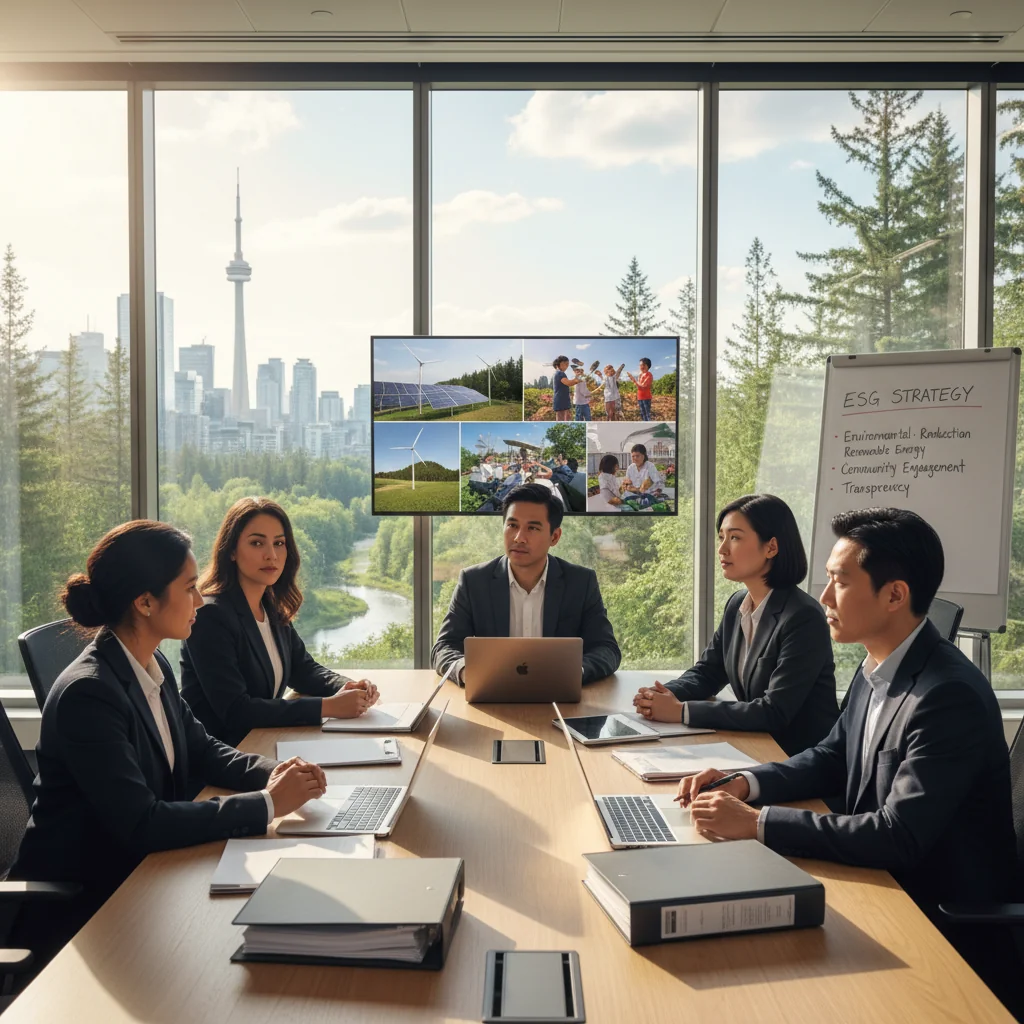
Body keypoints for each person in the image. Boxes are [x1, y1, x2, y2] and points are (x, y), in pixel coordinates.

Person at [676, 508, 1016, 989]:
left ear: (895, 594)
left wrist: (759, 823)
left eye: (841, 581)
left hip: (932, 924)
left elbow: (898, 835)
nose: (824, 597)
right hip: (878, 884)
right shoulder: (877, 662)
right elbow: (832, 756)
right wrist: (748, 783)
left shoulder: (946, 695)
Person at [9, 520, 327, 964]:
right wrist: (268, 803)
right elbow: (142, 823)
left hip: (149, 878)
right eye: (190, 588)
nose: (200, 599)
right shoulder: (90, 693)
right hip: (90, 912)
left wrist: (275, 772)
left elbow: (201, 746)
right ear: (144, 602)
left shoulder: (149, 660)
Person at [633, 494, 838, 756]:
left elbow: (774, 711)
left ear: (771, 547)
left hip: (795, 759)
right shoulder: (738, 603)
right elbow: (708, 672)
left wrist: (680, 711)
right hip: (753, 746)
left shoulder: (803, 617)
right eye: (722, 537)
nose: (722, 549)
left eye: (735, 537)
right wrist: (660, 695)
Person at [180, 497, 379, 747]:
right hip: (225, 760)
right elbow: (236, 710)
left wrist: (347, 686)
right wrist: (327, 707)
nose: (271, 555)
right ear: (231, 550)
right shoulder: (210, 615)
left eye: (279, 543)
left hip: (264, 743)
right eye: (257, 543)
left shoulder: (269, 605)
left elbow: (302, 669)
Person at [432, 482, 621, 684]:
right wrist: (466, 671)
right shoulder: (473, 581)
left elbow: (606, 649)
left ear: (554, 537)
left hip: (559, 698)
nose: (519, 538)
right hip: (493, 696)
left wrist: (575, 672)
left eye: (532, 528)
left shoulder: (580, 582)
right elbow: (444, 647)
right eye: (512, 525)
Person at [551, 356, 573, 421]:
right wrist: (577, 380)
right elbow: (568, 383)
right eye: (566, 364)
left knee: (565, 417)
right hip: (561, 400)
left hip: (562, 399)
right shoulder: (560, 373)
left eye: (567, 365)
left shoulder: (557, 373)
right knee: (562, 418)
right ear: (561, 363)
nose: (567, 367)